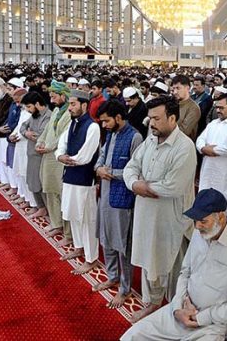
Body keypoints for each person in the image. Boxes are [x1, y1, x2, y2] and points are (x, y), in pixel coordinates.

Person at [121, 189, 227, 341]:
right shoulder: (200, 233)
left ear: (220, 216)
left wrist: (200, 318)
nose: (197, 226)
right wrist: (179, 308)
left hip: (212, 325)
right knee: (132, 336)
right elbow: (185, 272)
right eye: (195, 221)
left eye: (203, 221)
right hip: (181, 312)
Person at [123, 95, 197, 321]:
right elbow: (131, 167)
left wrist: (143, 186)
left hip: (171, 219)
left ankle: (174, 310)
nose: (151, 123)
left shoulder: (184, 147)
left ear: (172, 118)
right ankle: (152, 303)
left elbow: (173, 187)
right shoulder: (150, 141)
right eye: (150, 118)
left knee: (173, 268)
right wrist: (135, 183)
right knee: (148, 261)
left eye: (156, 118)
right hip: (146, 214)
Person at [93, 100, 143, 308]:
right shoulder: (111, 134)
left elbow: (137, 172)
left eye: (106, 121)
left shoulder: (135, 137)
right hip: (105, 195)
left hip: (123, 199)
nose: (104, 125)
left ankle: (125, 288)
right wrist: (98, 168)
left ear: (119, 117)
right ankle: (112, 276)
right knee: (106, 238)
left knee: (122, 244)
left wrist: (110, 173)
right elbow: (101, 158)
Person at [56, 89, 101, 272]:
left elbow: (86, 156)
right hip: (70, 176)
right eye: (69, 104)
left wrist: (68, 159)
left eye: (73, 104)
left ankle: (92, 258)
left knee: (87, 219)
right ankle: (79, 247)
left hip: (84, 179)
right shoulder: (72, 124)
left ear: (84, 105)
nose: (70, 108)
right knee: (74, 215)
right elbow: (61, 146)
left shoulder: (93, 126)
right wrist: (60, 157)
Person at [196, 93, 227, 225]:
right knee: (205, 199)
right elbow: (200, 140)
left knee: (225, 203)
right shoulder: (213, 124)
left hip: (225, 171)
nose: (218, 110)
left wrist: (211, 150)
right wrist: (203, 148)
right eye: (216, 107)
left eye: (221, 107)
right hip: (208, 169)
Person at [35, 81, 73, 240]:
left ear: (63, 95)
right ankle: (56, 224)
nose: (51, 100)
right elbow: (47, 131)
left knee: (62, 194)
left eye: (54, 96)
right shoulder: (56, 110)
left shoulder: (70, 113)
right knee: (50, 191)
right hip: (48, 157)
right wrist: (40, 142)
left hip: (60, 159)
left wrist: (49, 147)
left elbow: (64, 136)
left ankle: (68, 233)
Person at [20, 91, 51, 219]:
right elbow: (23, 127)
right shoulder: (34, 115)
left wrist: (29, 133)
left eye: (29, 106)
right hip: (32, 154)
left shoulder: (48, 116)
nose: (27, 110)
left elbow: (41, 135)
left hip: (41, 157)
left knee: (41, 185)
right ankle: (41, 208)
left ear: (37, 104)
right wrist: (26, 133)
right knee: (33, 182)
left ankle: (48, 211)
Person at [171, 75, 202, 140]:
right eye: (174, 88)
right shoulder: (172, 103)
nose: (175, 92)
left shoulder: (193, 108)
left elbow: (184, 131)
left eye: (178, 88)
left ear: (187, 88)